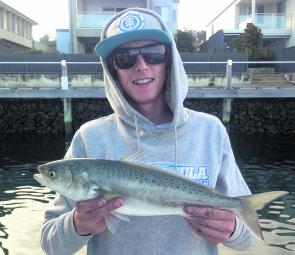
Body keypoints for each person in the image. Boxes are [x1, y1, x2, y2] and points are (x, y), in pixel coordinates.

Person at [40, 7, 253, 255]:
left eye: (153, 54)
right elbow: (50, 244)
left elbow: (246, 237)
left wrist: (232, 230)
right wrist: (77, 225)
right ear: (112, 70)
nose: (141, 66)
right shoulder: (90, 137)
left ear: (170, 59)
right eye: (125, 58)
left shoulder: (210, 131)